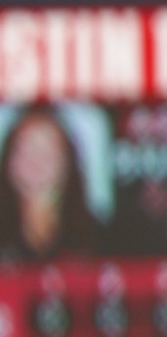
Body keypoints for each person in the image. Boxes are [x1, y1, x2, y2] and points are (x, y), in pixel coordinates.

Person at [0, 104, 101, 262]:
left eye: (48, 152)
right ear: (9, 162)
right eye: (27, 151)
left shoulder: (95, 234)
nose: (36, 163)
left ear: (67, 163)